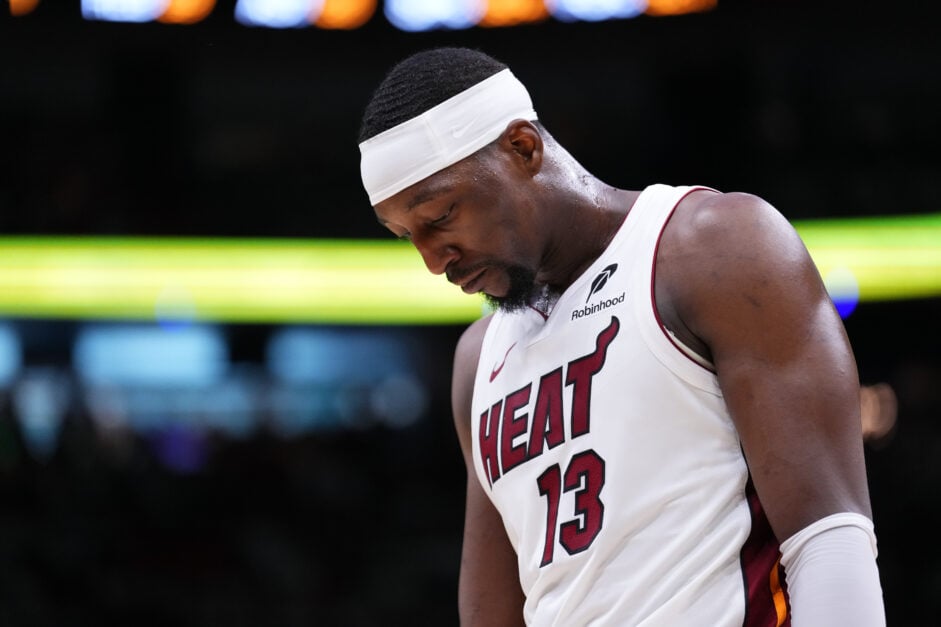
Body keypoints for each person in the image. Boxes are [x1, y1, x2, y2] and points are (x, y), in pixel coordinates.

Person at [358, 47, 885, 626]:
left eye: (439, 217)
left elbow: (830, 538)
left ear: (522, 148)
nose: (433, 260)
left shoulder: (712, 249)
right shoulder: (477, 360)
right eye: (406, 236)